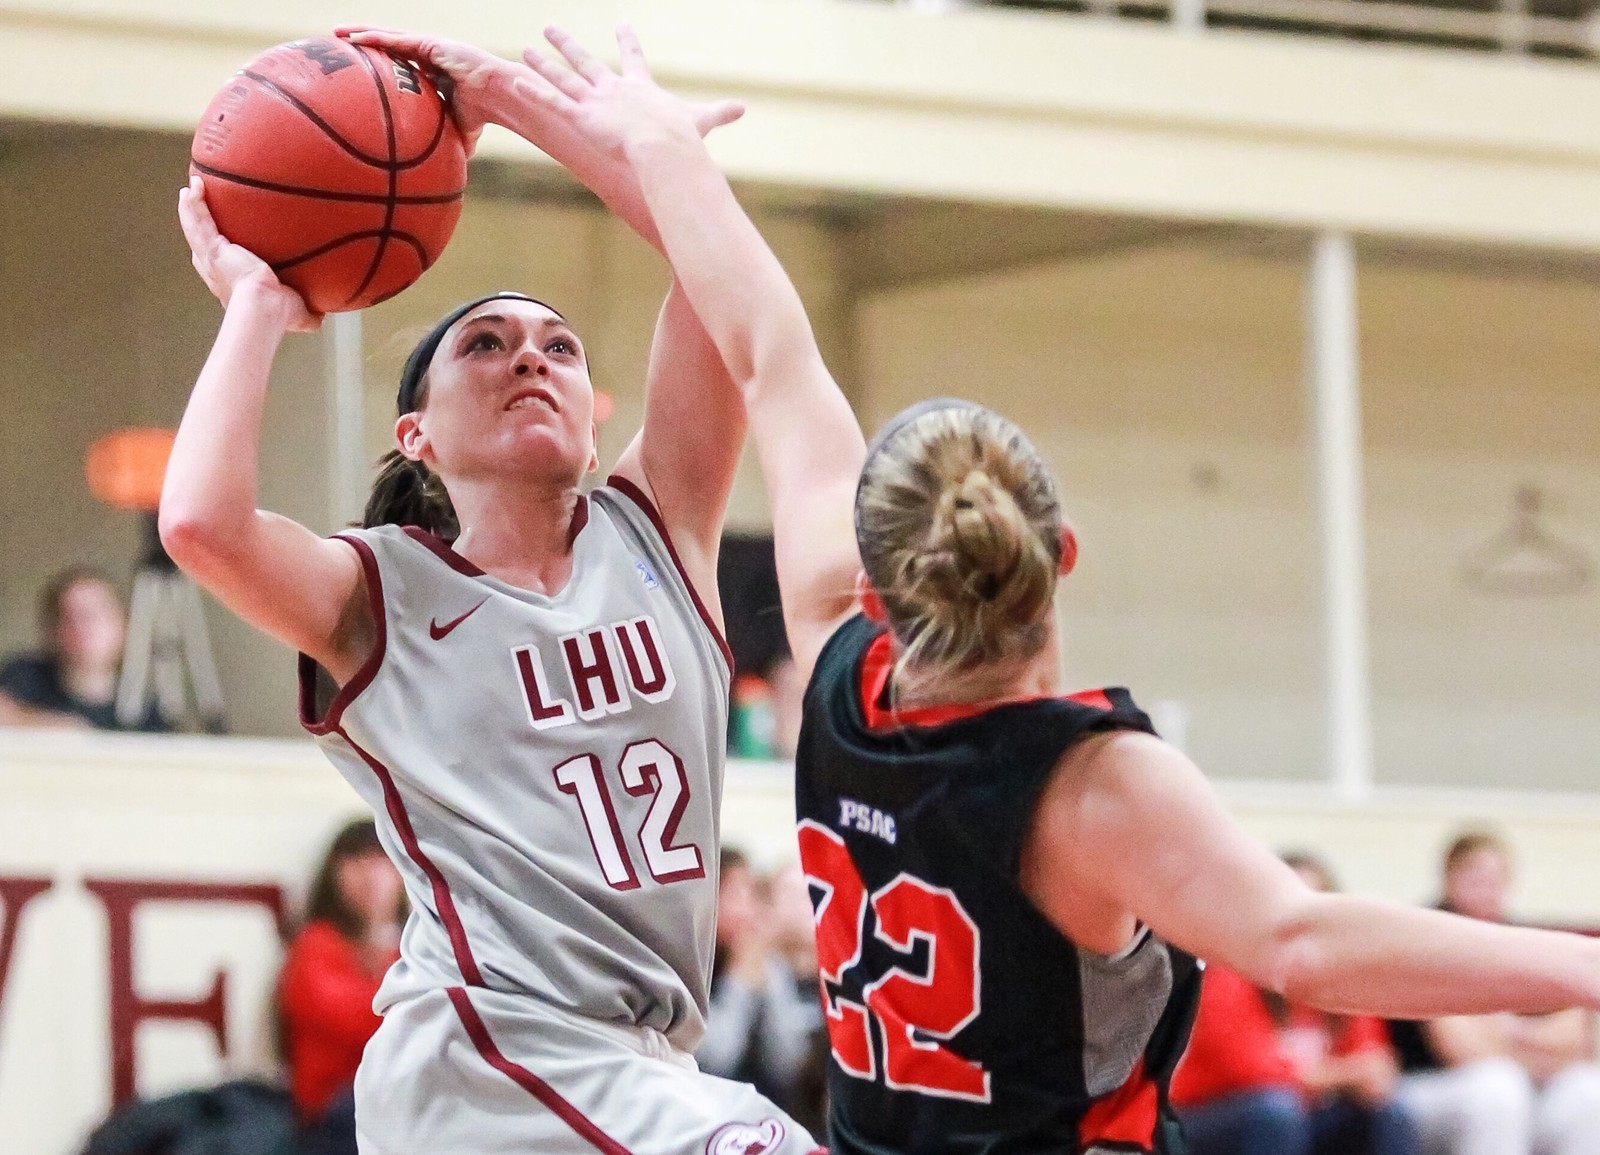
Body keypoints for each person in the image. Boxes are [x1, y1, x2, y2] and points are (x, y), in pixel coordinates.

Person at [482, 23, 1600, 1154]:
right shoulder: (1091, 784)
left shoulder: (830, 667)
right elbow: (1305, 946)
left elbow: (772, 352)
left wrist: (670, 161)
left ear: (875, 594)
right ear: (1062, 552)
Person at [162, 25, 821, 1154]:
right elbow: (200, 523)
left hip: (642, 1062)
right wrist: (258, 306)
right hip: (490, 1057)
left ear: (591, 405)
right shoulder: (383, 592)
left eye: (560, 348)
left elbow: (718, 276)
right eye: (486, 344)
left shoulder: (660, 529)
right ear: (416, 435)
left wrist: (517, 109)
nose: (530, 357)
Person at [1172, 853, 1416, 1155]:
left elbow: (1373, 1063)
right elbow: (1253, 1072)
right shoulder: (1230, 970)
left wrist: (1367, 1075)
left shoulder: (1341, 979)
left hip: (1298, 1114)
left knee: (1389, 1113)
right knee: (1276, 1111)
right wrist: (1346, 1074)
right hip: (1212, 1115)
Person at [1388, 830, 1600, 1155]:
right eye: (1476, 878)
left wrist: (1503, 1032)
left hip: (1516, 1085)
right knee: (1498, 1087)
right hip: (1428, 1086)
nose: (1487, 889)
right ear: (1449, 879)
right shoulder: (1426, 938)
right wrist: (1535, 1039)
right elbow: (1462, 1049)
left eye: (1496, 879)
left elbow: (1577, 1042)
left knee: (1588, 1090)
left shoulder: (1525, 937)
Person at [278, 819, 405, 1155]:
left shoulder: (414, 948)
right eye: (356, 861)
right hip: (329, 1116)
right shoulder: (314, 945)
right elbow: (365, 1021)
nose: (371, 875)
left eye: (383, 861)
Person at [0, 566, 168, 731]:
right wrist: (51, 726)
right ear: (52, 630)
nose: (83, 627)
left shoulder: (144, 710)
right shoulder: (23, 678)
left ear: (123, 625)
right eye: (70, 616)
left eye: (95, 614)